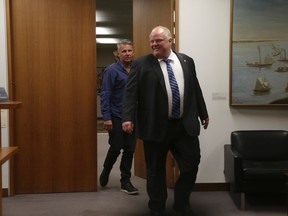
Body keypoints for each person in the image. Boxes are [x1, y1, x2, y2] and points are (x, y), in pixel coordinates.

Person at [122, 26, 209, 216]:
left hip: (184, 126)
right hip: (155, 126)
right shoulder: (141, 64)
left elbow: (195, 89)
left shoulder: (186, 61)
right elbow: (130, 93)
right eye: (151, 41)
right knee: (155, 171)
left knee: (191, 165)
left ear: (170, 40)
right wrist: (127, 117)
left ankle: (181, 201)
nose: (153, 44)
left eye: (158, 40)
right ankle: (157, 207)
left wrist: (203, 113)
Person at [99, 39, 138, 195]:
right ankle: (106, 169)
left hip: (132, 116)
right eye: (124, 51)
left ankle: (125, 181)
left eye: (130, 50)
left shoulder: (136, 69)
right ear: (118, 53)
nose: (127, 54)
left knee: (129, 149)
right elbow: (105, 94)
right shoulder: (111, 70)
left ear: (133, 52)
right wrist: (106, 117)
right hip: (116, 115)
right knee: (116, 146)